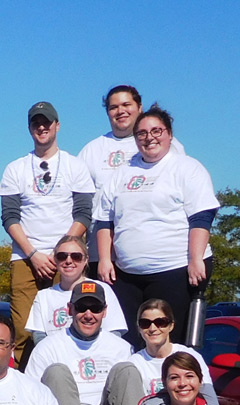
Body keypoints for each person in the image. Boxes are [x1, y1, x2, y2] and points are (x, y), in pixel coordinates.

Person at [96, 105, 218, 348]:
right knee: (130, 344)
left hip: (174, 271)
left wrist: (196, 259)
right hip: (127, 276)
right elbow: (103, 220)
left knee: (170, 344)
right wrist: (105, 259)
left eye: (156, 131)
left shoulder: (187, 168)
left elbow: (201, 217)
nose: (149, 138)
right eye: (141, 133)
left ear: (169, 134)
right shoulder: (122, 173)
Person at [0, 101, 95, 367]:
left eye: (47, 122)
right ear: (30, 128)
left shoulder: (75, 166)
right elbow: (9, 217)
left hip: (67, 258)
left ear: (57, 126)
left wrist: (60, 252)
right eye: (36, 123)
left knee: (68, 325)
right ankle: (24, 384)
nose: (42, 127)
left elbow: (84, 215)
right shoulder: (15, 168)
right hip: (25, 258)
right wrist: (32, 254)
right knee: (23, 331)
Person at [78, 85, 186, 274]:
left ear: (140, 107)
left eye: (126, 104)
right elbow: (80, 204)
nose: (121, 111)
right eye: (113, 107)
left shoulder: (167, 144)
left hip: (158, 257)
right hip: (103, 257)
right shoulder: (91, 150)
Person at [27, 235, 127, 344]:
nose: (68, 261)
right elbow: (39, 337)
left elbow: (115, 332)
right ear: (55, 260)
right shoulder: (43, 296)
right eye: (62, 256)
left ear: (86, 260)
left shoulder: (102, 289)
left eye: (76, 256)